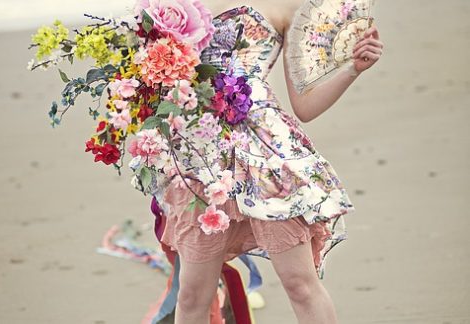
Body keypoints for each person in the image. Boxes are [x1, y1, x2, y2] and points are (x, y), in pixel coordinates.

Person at [154, 1, 384, 323]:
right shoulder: (177, 5)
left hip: (265, 155)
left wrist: (352, 70)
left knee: (300, 284)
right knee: (193, 293)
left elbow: (304, 106)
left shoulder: (287, 7)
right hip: (199, 155)